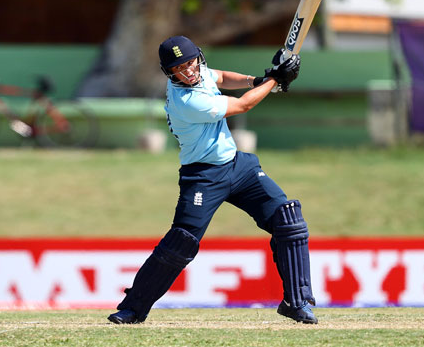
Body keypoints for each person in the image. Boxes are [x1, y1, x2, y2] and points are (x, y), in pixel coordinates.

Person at [107, 35, 317, 325]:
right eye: (180, 68)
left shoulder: (198, 72)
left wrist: (258, 79)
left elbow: (218, 76)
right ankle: (133, 308)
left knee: (288, 220)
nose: (190, 71)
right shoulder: (188, 101)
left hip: (237, 166)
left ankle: (298, 302)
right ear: (169, 73)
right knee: (181, 242)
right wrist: (275, 81)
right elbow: (243, 106)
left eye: (191, 62)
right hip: (202, 176)